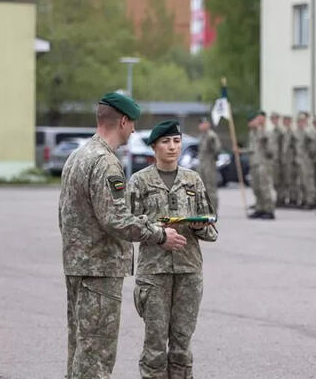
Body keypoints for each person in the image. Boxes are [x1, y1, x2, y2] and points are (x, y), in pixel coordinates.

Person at [59, 92, 185, 379]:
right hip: (99, 270)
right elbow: (115, 219)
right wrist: (159, 234)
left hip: (78, 267)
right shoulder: (105, 162)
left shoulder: (78, 156)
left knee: (80, 350)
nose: (134, 131)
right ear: (123, 121)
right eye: (133, 124)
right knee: (96, 357)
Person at [129, 120, 217, 379]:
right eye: (166, 142)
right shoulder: (139, 182)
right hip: (154, 273)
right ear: (154, 146)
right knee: (155, 346)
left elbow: (211, 227)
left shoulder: (193, 180)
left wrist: (198, 226)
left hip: (188, 271)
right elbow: (128, 226)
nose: (172, 147)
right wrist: (157, 233)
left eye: (177, 141)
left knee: (181, 345)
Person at [246, 111, 275, 219]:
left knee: (264, 188)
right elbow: (252, 150)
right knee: (256, 188)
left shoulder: (265, 133)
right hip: (254, 164)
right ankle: (260, 208)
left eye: (252, 121)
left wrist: (265, 143)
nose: (250, 123)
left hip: (263, 164)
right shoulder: (252, 134)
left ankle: (269, 210)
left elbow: (271, 151)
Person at [197, 117, 221, 211]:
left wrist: (213, 158)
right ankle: (205, 209)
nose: (202, 125)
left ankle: (213, 209)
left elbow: (217, 149)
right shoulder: (203, 135)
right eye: (201, 124)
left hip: (209, 166)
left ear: (208, 124)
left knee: (211, 189)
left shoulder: (211, 136)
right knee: (203, 188)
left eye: (204, 123)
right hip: (203, 165)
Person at [295, 112, 316, 209]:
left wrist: (311, 155)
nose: (301, 123)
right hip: (299, 160)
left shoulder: (310, 130)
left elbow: (314, 143)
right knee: (301, 182)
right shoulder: (297, 131)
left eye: (303, 120)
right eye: (299, 121)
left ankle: (311, 200)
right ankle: (304, 199)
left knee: (309, 181)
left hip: (307, 160)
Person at [280, 115, 298, 206]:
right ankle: (283, 198)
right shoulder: (282, 132)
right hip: (282, 160)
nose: (286, 122)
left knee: (291, 181)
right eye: (285, 121)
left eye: (288, 121)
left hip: (290, 160)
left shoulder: (292, 132)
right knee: (283, 180)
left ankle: (293, 199)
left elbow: (296, 147)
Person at [268, 112, 285, 206]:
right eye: (272, 118)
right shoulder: (272, 131)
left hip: (279, 159)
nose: (274, 120)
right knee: (275, 181)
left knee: (280, 180)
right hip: (273, 160)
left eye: (275, 118)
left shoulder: (280, 131)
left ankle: (281, 198)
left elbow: (284, 146)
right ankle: (279, 198)